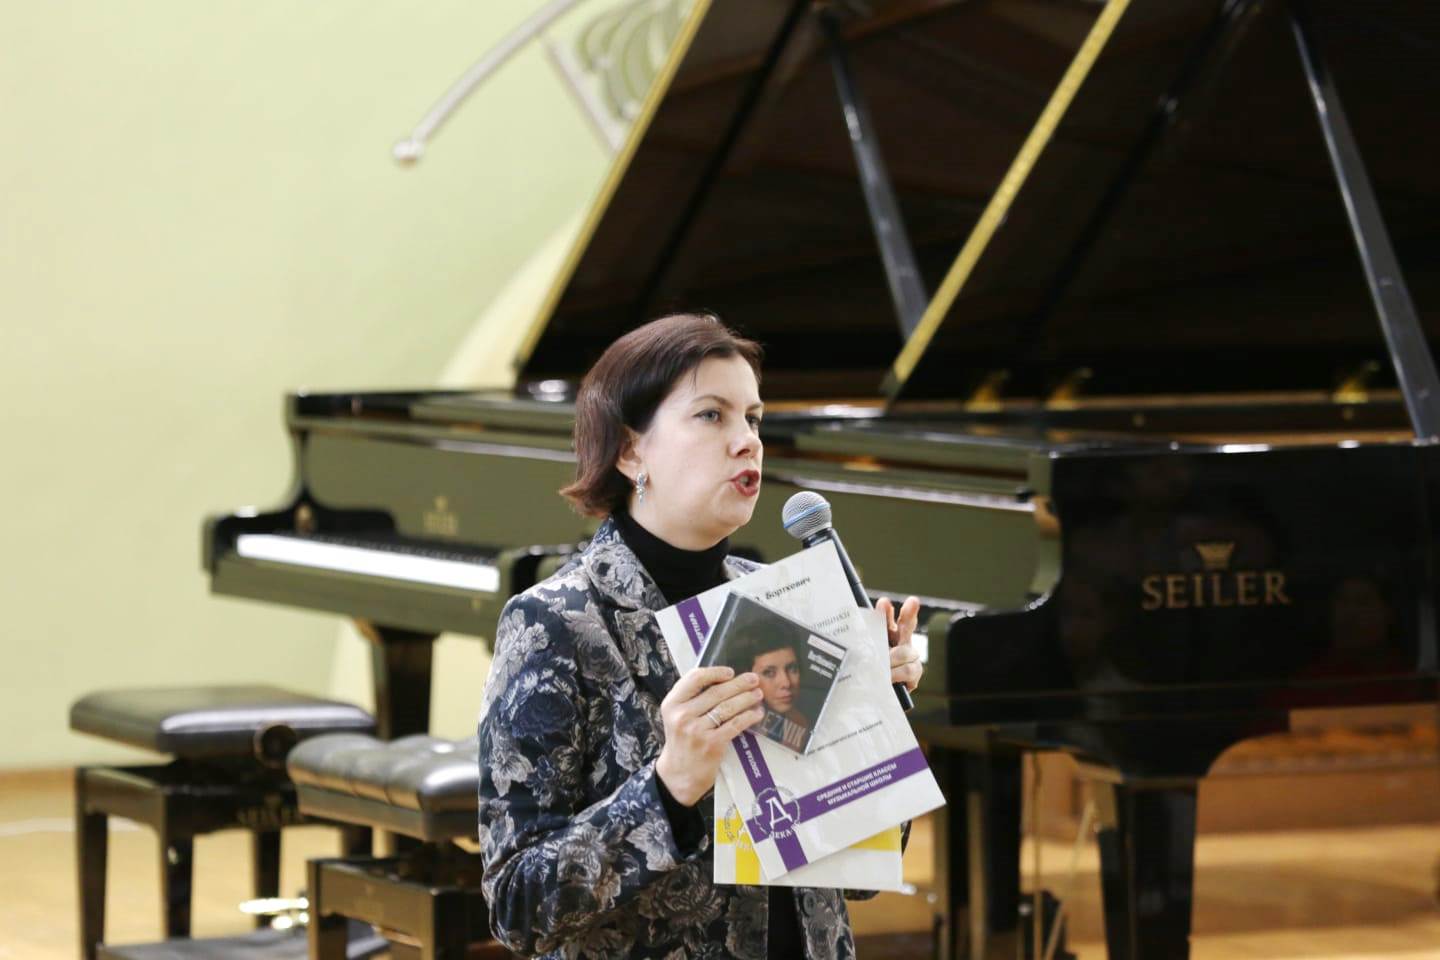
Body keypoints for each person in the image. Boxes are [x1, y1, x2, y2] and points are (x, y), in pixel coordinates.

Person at [476, 312, 924, 959]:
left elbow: (859, 878)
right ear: (631, 451)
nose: (747, 442)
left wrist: (874, 725)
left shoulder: (786, 601)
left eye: (754, 419)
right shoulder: (553, 623)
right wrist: (669, 788)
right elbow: (517, 908)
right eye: (712, 415)